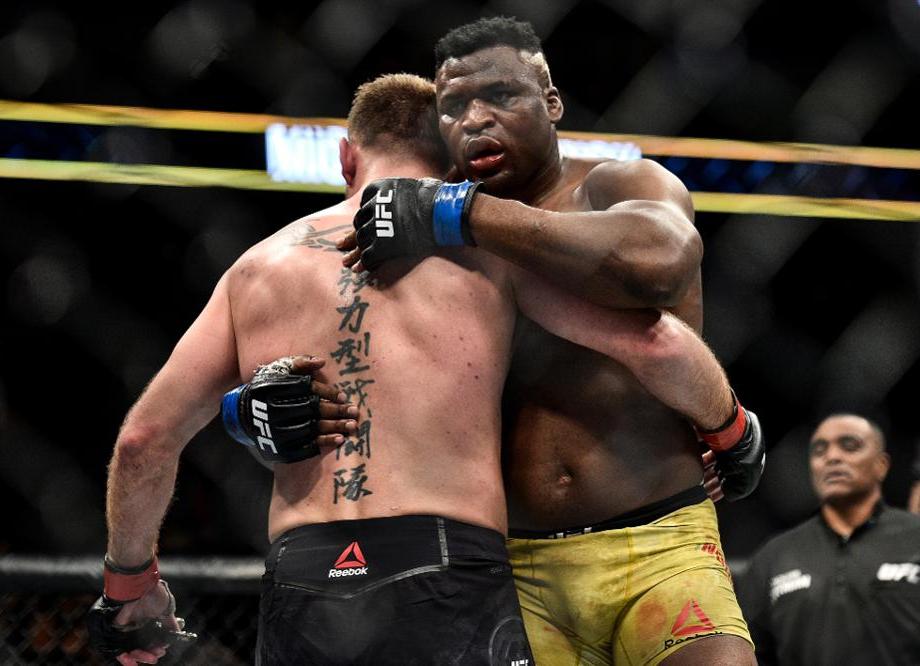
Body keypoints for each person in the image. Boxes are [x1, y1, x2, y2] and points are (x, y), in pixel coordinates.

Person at [87, 73, 749, 666]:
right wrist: (730, 430)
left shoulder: (256, 268)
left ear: (346, 157)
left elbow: (144, 440)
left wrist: (130, 584)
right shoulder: (490, 254)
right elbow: (656, 345)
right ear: (457, 161)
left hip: (303, 574)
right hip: (445, 567)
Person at [335, 17, 760, 665]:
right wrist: (257, 405)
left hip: (662, 540)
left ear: (551, 102)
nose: (475, 119)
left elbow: (663, 261)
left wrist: (463, 212)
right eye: (453, 107)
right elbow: (360, 359)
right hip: (514, 564)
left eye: (500, 95)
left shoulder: (617, 185)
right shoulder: (428, 242)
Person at [738, 414, 920, 665]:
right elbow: (748, 653)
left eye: (849, 446)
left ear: (881, 465)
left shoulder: (915, 537)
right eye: (819, 450)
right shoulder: (774, 556)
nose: (832, 457)